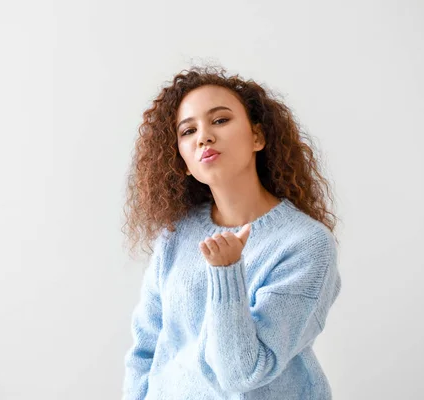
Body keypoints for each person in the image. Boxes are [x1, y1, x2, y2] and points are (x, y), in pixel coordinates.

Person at [121, 65, 342, 399]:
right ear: (182, 160)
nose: (204, 137)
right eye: (187, 131)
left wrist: (226, 272)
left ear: (258, 137)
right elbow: (145, 349)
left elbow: (242, 372)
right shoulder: (176, 235)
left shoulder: (306, 243)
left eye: (220, 120)